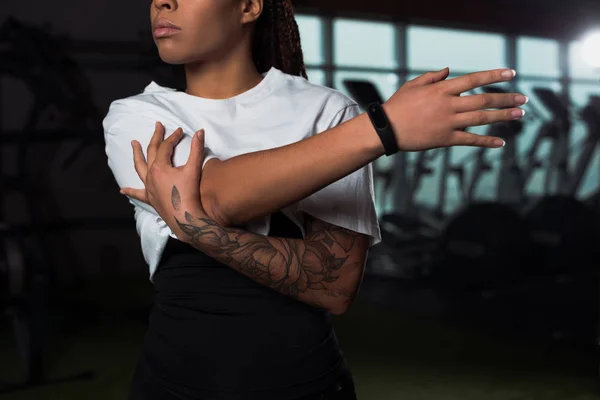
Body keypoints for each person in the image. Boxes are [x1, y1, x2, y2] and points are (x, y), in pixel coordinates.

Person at [103, 1, 528, 399]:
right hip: (176, 381)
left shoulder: (326, 111)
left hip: (307, 382)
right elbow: (214, 198)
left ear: (249, 6)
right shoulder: (138, 115)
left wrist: (196, 228)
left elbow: (335, 285)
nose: (163, 2)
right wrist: (384, 129)